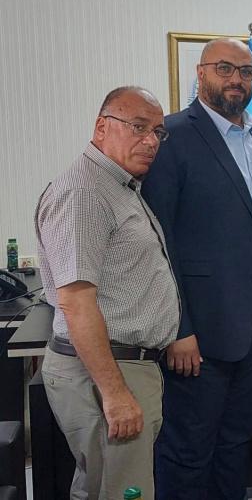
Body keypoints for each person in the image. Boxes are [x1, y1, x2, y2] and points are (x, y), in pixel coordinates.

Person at [141, 38, 252, 499]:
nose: (237, 80)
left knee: (239, 438)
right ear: (201, 73)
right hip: (201, 325)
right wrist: (179, 328)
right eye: (225, 68)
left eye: (246, 72)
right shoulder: (172, 136)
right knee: (189, 446)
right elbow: (159, 242)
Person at [36, 86, 178, 499]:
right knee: (124, 493)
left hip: (122, 366)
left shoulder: (117, 185)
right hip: (108, 372)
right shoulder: (84, 193)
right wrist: (115, 394)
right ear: (102, 127)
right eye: (138, 127)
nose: (150, 141)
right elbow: (76, 302)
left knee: (102, 488)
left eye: (157, 132)